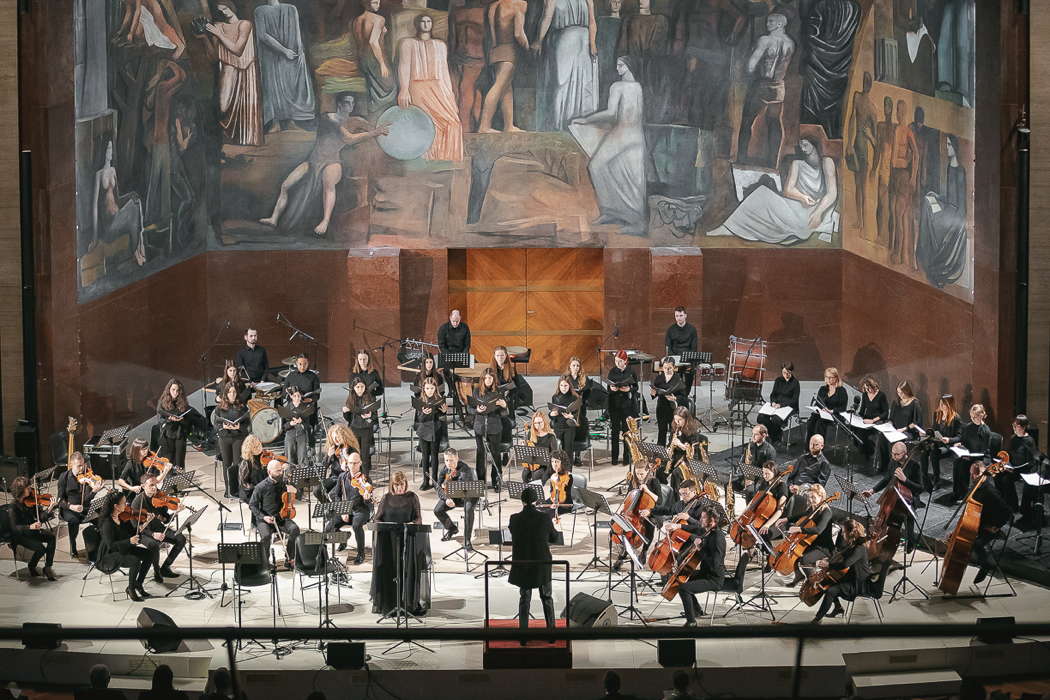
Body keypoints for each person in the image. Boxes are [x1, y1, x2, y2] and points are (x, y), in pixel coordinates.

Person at [259, 92, 387, 236]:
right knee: (285, 185)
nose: (351, 106)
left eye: (352, 103)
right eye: (347, 103)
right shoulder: (327, 118)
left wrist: (378, 130)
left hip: (332, 162)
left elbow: (370, 129)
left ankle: (325, 221)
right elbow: (348, 138)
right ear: (339, 104)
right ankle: (274, 218)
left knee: (329, 186)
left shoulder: (355, 121)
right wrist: (374, 133)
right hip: (313, 160)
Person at [708, 138, 838, 245]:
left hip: (815, 209)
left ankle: (733, 228)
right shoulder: (797, 163)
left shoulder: (827, 162)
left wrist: (818, 213)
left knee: (798, 226)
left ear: (814, 144)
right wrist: (802, 197)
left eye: (805, 145)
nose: (802, 149)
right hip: (797, 204)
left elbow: (832, 193)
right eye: (801, 145)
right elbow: (788, 190)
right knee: (761, 194)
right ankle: (730, 228)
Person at [568, 55, 645, 234]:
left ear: (628, 66)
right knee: (630, 175)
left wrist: (586, 120)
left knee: (597, 166)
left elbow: (611, 114)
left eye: (620, 65)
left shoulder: (617, 86)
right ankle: (612, 212)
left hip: (622, 135)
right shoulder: (638, 87)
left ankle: (635, 221)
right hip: (636, 137)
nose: (617, 68)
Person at [397, 14, 463, 161]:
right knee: (427, 122)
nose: (426, 24)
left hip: (439, 87)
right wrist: (404, 89)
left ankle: (446, 157)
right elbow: (404, 67)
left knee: (453, 122)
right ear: (417, 23)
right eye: (423, 21)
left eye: (429, 21)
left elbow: (444, 71)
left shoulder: (440, 45)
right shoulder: (407, 43)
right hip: (418, 87)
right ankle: (428, 157)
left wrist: (450, 95)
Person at [736, 13, 794, 168]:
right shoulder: (790, 43)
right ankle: (773, 163)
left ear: (781, 24)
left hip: (762, 85)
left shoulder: (765, 40)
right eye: (767, 20)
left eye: (771, 21)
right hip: (779, 87)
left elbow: (750, 66)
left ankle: (741, 159)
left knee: (747, 120)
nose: (767, 23)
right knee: (774, 122)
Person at [533, 0, 599, 132]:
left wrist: (592, 43)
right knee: (563, 83)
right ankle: (560, 124)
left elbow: (592, 21)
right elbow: (547, 17)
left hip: (582, 42)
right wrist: (539, 41)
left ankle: (576, 122)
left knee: (581, 82)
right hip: (568, 40)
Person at [371, 471, 430, 616]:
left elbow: (418, 519)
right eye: (397, 485)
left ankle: (408, 605)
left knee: (406, 572)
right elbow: (377, 519)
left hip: (407, 541)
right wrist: (384, 525)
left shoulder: (412, 497)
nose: (400, 488)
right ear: (392, 484)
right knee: (390, 571)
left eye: (402, 484)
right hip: (389, 543)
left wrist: (411, 523)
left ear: (406, 483)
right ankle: (390, 604)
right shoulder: (386, 498)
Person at [205, 3, 263, 147]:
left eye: (225, 8)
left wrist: (219, 34)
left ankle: (244, 140)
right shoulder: (218, 26)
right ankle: (227, 139)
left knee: (246, 105)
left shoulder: (244, 24)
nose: (224, 12)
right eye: (220, 11)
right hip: (227, 68)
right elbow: (213, 57)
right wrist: (203, 38)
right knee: (223, 106)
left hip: (246, 69)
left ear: (232, 7)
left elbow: (238, 49)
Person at [254, 0, 315, 131]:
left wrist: (299, 53)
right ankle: (275, 122)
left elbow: (296, 32)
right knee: (273, 88)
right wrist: (284, 50)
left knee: (290, 85)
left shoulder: (291, 9)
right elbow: (262, 35)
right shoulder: (260, 11)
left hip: (291, 55)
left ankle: (291, 121)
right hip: (270, 56)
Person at [509, 486, 560, 633]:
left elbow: (515, 532)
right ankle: (551, 632)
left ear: (522, 501)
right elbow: (554, 537)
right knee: (547, 597)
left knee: (524, 598)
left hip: (523, 563)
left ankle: (523, 634)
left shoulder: (514, 518)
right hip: (541, 563)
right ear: (536, 501)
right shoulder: (544, 518)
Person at [477, 0, 528, 133]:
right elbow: (518, 33)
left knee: (506, 88)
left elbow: (492, 35)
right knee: (499, 87)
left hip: (496, 50)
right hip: (509, 49)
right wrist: (527, 47)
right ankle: (484, 126)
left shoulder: (493, 5)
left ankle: (508, 125)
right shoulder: (519, 4)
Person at [862, 442, 924, 550]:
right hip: (895, 495)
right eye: (893, 454)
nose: (894, 457)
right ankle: (886, 539)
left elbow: (920, 488)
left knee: (908, 516)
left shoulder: (915, 466)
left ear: (905, 453)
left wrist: (905, 480)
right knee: (887, 513)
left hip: (910, 498)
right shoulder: (893, 462)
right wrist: (873, 490)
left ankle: (911, 542)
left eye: (897, 454)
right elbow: (887, 479)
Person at [768, 484, 835, 586]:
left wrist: (799, 529)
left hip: (823, 546)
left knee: (804, 559)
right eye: (810, 497)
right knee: (795, 555)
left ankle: (812, 583)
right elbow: (802, 516)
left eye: (814, 497)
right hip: (810, 542)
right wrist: (786, 519)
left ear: (821, 496)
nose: (811, 500)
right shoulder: (814, 507)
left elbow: (818, 530)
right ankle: (799, 577)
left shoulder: (826, 512)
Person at [97, 492, 157, 601]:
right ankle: (131, 588)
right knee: (135, 561)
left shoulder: (122, 517)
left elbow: (132, 533)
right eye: (124, 503)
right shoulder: (107, 523)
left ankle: (138, 584)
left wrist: (145, 523)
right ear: (116, 506)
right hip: (109, 554)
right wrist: (129, 541)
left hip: (124, 548)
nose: (127, 505)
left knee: (149, 554)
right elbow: (111, 545)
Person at [810, 518, 870, 623]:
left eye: (843, 531)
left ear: (850, 532)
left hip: (859, 583)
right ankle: (837, 608)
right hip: (852, 577)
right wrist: (829, 561)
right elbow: (842, 556)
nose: (842, 534)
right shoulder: (854, 544)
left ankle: (817, 620)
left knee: (831, 590)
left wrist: (829, 564)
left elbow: (845, 564)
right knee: (828, 582)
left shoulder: (859, 548)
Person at [675, 505, 726, 626]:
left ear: (712, 520)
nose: (700, 520)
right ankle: (696, 610)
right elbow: (696, 530)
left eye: (703, 518)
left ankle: (691, 622)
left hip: (714, 578)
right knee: (681, 578)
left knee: (684, 589)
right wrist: (678, 527)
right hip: (706, 573)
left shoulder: (718, 538)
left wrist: (699, 548)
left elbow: (715, 564)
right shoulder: (709, 531)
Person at [129, 476, 185, 581]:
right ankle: (157, 571)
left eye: (155, 484)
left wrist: (174, 513)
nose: (155, 488)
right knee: (154, 545)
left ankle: (165, 567)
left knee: (181, 539)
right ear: (143, 486)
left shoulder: (159, 497)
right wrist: (153, 534)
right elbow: (136, 526)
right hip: (143, 532)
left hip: (158, 528)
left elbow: (165, 518)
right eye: (151, 485)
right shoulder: (137, 503)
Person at [323, 451, 374, 565]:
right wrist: (342, 510)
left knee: (356, 525)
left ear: (360, 463)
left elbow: (368, 502)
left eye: (355, 463)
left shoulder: (366, 479)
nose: (353, 466)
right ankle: (343, 539)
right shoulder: (342, 477)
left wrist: (366, 497)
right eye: (350, 463)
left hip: (360, 510)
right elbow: (335, 495)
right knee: (329, 526)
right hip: (346, 509)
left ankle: (361, 554)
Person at [248, 460, 300, 569]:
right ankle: (265, 562)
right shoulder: (260, 487)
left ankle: (290, 558)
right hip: (265, 519)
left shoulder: (282, 484)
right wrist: (264, 517)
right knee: (266, 536)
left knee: (295, 529)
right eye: (278, 471)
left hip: (280, 517)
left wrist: (291, 492)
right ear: (269, 472)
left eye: (281, 470)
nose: (281, 473)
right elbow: (252, 505)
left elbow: (288, 500)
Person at [969, 461, 1013, 585]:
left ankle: (986, 565)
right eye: (972, 474)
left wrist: (995, 527)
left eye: (978, 474)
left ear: (985, 474)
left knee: (975, 544)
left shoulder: (990, 491)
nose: (974, 477)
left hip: (989, 527)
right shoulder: (975, 487)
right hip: (978, 523)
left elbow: (1007, 512)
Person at [7, 476, 58, 580]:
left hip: (32, 531)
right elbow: (14, 528)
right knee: (41, 548)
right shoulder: (13, 506)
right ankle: (32, 565)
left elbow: (42, 517)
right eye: (28, 487)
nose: (30, 488)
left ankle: (48, 567)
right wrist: (30, 526)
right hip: (20, 535)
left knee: (51, 537)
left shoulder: (31, 500)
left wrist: (50, 508)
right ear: (21, 490)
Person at [352, 0, 395, 115]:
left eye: (379, 2)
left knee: (371, 88)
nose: (378, 5)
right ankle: (383, 116)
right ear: (366, 3)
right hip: (375, 57)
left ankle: (373, 117)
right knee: (390, 88)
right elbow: (373, 42)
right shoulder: (379, 19)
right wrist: (382, 63)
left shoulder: (357, 20)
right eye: (375, 2)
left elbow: (360, 42)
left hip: (362, 57)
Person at [57, 451, 104, 557]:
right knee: (74, 520)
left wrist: (94, 491)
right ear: (71, 465)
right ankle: (73, 547)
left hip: (84, 507)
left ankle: (100, 547)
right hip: (68, 509)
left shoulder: (87, 475)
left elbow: (86, 500)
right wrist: (71, 506)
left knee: (102, 518)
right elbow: (60, 500)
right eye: (79, 466)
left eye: (83, 465)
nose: (82, 468)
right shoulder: (63, 477)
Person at [434, 449, 478, 548]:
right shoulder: (445, 469)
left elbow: (464, 487)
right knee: (437, 510)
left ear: (457, 458)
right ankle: (452, 528)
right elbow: (438, 487)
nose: (449, 463)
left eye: (452, 460)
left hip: (468, 495)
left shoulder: (464, 469)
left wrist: (449, 483)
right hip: (452, 496)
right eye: (446, 460)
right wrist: (446, 499)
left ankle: (467, 540)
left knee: (468, 510)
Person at [473, 368, 509, 489]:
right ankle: (481, 481)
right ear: (482, 379)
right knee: (481, 454)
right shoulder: (477, 390)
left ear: (494, 379)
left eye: (490, 378)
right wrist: (477, 410)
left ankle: (496, 481)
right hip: (480, 426)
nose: (488, 380)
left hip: (494, 426)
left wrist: (504, 406)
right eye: (486, 378)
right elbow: (470, 408)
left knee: (495, 454)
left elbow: (505, 414)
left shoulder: (499, 391)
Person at [213, 382, 249, 498]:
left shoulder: (242, 407)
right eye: (230, 392)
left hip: (238, 437)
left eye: (234, 392)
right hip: (224, 438)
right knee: (226, 464)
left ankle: (237, 489)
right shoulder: (219, 408)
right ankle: (228, 489)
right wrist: (224, 426)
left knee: (237, 464)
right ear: (226, 394)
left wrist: (239, 427)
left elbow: (247, 424)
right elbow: (216, 424)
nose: (232, 394)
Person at [878, 380, 923, 470]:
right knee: (882, 436)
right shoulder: (896, 402)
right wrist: (889, 425)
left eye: (902, 393)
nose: (900, 395)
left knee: (897, 440)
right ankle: (883, 465)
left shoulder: (914, 403)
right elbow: (891, 419)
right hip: (895, 430)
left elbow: (916, 423)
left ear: (907, 391)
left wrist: (903, 429)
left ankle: (894, 466)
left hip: (908, 432)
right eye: (898, 392)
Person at [951, 403, 991, 503]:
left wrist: (970, 455)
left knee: (963, 465)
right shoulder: (968, 427)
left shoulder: (985, 430)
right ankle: (957, 493)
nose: (974, 418)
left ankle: (964, 495)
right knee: (957, 462)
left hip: (980, 456)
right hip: (968, 454)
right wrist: (959, 444)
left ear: (982, 415)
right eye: (972, 416)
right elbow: (964, 441)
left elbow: (985, 449)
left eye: (976, 416)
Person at [414, 377, 448, 490]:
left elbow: (442, 418)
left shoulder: (439, 399)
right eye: (427, 388)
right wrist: (423, 413)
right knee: (425, 456)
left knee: (434, 455)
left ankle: (434, 480)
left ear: (435, 388)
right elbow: (418, 419)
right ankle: (425, 480)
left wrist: (444, 412)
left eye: (432, 388)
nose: (429, 390)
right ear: (423, 388)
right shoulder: (420, 400)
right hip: (423, 430)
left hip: (435, 430)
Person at [607, 350, 638, 466]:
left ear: (625, 361)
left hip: (627, 406)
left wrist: (629, 389)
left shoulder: (631, 371)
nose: (618, 363)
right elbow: (608, 388)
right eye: (616, 361)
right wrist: (612, 389)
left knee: (626, 432)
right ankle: (614, 458)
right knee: (615, 432)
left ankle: (626, 458)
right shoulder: (612, 371)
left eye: (620, 361)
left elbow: (636, 387)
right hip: (614, 405)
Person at [315, 425, 361, 501]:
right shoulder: (333, 449)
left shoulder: (351, 450)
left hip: (346, 478)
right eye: (334, 438)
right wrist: (328, 457)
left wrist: (346, 457)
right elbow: (323, 468)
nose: (336, 440)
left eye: (338, 437)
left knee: (333, 495)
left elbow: (357, 469)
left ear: (344, 437)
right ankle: (329, 509)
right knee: (317, 490)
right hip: (334, 477)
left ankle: (336, 509)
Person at [925, 394, 961, 491]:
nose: (941, 406)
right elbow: (934, 429)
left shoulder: (956, 418)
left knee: (934, 454)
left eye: (943, 404)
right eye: (940, 404)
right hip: (938, 442)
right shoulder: (937, 414)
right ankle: (924, 477)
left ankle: (937, 481)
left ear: (949, 405)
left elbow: (959, 437)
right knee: (923, 450)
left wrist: (949, 439)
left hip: (948, 445)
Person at [758, 362, 800, 443]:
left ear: (791, 372)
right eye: (784, 373)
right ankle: (775, 435)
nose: (786, 375)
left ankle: (775, 438)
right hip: (775, 406)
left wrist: (781, 405)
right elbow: (773, 394)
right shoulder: (778, 380)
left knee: (775, 420)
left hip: (788, 407)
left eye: (788, 373)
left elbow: (794, 400)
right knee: (761, 417)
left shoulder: (795, 383)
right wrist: (773, 402)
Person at [343, 378, 377, 476]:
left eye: (362, 386)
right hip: (354, 429)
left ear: (365, 387)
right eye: (357, 387)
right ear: (353, 388)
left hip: (366, 430)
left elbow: (375, 416)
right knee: (355, 454)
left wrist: (370, 416)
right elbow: (348, 418)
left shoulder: (370, 398)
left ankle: (365, 477)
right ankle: (355, 476)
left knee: (365, 456)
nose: (360, 389)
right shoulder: (350, 399)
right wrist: (345, 412)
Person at [652, 358, 688, 447]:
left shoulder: (678, 379)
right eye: (665, 368)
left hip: (673, 409)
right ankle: (660, 453)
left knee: (673, 431)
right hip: (661, 407)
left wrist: (675, 398)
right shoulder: (659, 378)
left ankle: (672, 451)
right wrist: (653, 393)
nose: (667, 370)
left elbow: (684, 397)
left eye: (669, 368)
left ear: (674, 368)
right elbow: (655, 392)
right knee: (661, 431)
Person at [1011, 415, 1042, 519]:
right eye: (1014, 426)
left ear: (1023, 427)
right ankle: (1012, 505)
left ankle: (1025, 510)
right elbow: (1010, 454)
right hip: (1015, 468)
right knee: (1003, 477)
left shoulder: (1029, 440)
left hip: (1027, 470)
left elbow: (1032, 461)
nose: (1014, 428)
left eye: (1017, 426)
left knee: (1029, 485)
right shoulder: (1013, 438)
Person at [667, 406, 705, 490]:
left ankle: (676, 497)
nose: (677, 422)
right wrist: (669, 449)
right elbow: (670, 443)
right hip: (676, 456)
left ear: (686, 419)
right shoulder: (674, 427)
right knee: (659, 469)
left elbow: (693, 453)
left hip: (688, 460)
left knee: (675, 474)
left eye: (679, 420)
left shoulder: (692, 431)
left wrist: (680, 444)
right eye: (675, 419)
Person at [156, 378, 191, 468]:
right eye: (173, 390)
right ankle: (169, 481)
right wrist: (169, 419)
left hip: (180, 434)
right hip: (168, 434)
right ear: (169, 390)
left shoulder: (183, 402)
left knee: (180, 462)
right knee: (169, 461)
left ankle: (180, 480)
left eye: (178, 390)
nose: (175, 392)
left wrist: (182, 419)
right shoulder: (162, 402)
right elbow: (160, 420)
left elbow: (188, 420)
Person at [806, 366, 848, 441]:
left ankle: (819, 449)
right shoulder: (822, 389)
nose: (828, 379)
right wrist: (818, 409)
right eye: (826, 377)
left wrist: (832, 411)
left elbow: (843, 408)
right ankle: (809, 448)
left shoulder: (842, 391)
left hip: (835, 415)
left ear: (836, 378)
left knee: (820, 423)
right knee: (811, 421)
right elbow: (818, 404)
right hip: (822, 413)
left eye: (830, 377)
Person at [564, 356, 591, 464]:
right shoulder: (565, 378)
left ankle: (578, 456)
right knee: (569, 430)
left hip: (580, 409)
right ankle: (567, 455)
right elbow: (561, 391)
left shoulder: (584, 379)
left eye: (577, 366)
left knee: (580, 428)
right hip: (569, 408)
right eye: (573, 365)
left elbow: (588, 395)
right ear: (569, 366)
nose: (575, 368)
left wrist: (583, 396)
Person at [549, 376, 582, 466]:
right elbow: (552, 413)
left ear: (569, 386)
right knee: (557, 449)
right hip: (558, 426)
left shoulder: (574, 397)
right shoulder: (555, 397)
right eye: (562, 385)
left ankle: (568, 471)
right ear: (559, 386)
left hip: (569, 427)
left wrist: (572, 416)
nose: (563, 388)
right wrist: (551, 415)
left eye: (566, 385)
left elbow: (578, 415)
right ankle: (557, 468)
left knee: (568, 450)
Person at [857, 375, 889, 466]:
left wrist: (873, 420)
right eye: (866, 389)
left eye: (869, 388)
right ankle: (865, 455)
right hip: (867, 421)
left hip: (877, 421)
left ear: (873, 386)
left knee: (866, 434)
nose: (868, 391)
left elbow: (885, 413)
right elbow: (862, 411)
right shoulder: (865, 394)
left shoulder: (881, 395)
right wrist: (856, 416)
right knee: (858, 433)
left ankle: (872, 456)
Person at [521, 411, 560, 483]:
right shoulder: (531, 434)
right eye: (535, 423)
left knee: (536, 475)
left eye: (540, 422)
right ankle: (528, 492)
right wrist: (524, 446)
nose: (537, 425)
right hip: (533, 463)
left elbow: (555, 455)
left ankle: (537, 491)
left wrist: (546, 458)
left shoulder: (551, 436)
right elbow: (527, 449)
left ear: (544, 422)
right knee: (525, 475)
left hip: (546, 465)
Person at [280, 386, 314, 466]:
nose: (297, 398)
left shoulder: (305, 408)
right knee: (290, 458)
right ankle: (290, 475)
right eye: (295, 396)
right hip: (290, 435)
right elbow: (283, 427)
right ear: (291, 396)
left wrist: (302, 422)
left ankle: (302, 476)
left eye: (298, 396)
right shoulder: (286, 408)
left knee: (302, 457)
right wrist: (290, 424)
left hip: (301, 435)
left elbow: (309, 426)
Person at [545, 449, 575, 517]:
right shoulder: (553, 475)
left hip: (565, 504)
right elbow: (552, 491)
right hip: (554, 500)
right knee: (536, 508)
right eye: (552, 461)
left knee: (548, 513)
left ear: (563, 463)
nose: (554, 464)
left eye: (557, 462)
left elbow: (565, 495)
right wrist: (553, 500)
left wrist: (557, 483)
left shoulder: (569, 476)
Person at [237, 435, 266, 501]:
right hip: (251, 491)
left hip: (263, 488)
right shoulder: (246, 463)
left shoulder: (263, 457)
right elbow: (244, 483)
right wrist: (258, 488)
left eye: (259, 444)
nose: (260, 447)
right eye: (256, 446)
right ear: (250, 447)